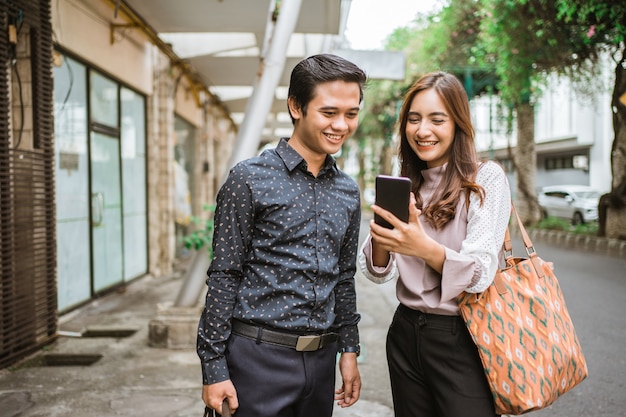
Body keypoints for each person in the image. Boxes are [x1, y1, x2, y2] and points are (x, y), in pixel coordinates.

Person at [197, 53, 366, 417]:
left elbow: (344, 278)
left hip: (321, 363)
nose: (341, 124)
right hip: (256, 360)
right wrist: (213, 367)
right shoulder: (249, 178)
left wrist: (349, 350)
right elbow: (224, 275)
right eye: (329, 112)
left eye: (351, 113)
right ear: (296, 106)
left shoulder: (348, 192)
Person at [358, 72, 511, 417]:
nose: (422, 130)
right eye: (414, 119)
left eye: (436, 119)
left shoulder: (484, 178)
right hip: (405, 332)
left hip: (462, 336)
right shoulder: (406, 183)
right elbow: (376, 271)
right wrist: (383, 233)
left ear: (457, 123)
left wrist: (419, 245)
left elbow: (479, 275)